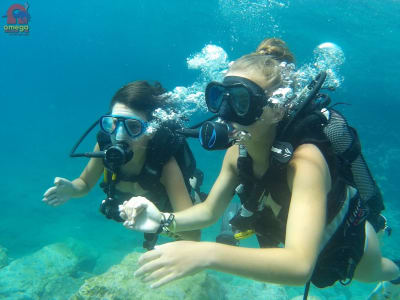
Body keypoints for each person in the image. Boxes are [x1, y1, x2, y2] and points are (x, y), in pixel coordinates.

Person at [118, 39, 400, 296]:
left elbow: (299, 265)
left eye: (241, 101)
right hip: (292, 238)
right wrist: (164, 219)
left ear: (277, 109)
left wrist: (205, 253)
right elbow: (208, 211)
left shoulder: (306, 163)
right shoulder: (236, 152)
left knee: (376, 272)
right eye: (220, 98)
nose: (226, 114)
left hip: (343, 238)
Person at [43, 80, 201, 249]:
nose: (119, 135)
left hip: (163, 211)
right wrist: (72, 189)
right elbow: (85, 183)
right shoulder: (105, 148)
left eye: (133, 126)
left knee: (192, 205)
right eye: (113, 123)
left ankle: (195, 189)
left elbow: (193, 235)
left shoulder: (165, 164)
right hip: (141, 213)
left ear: (152, 129)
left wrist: (158, 223)